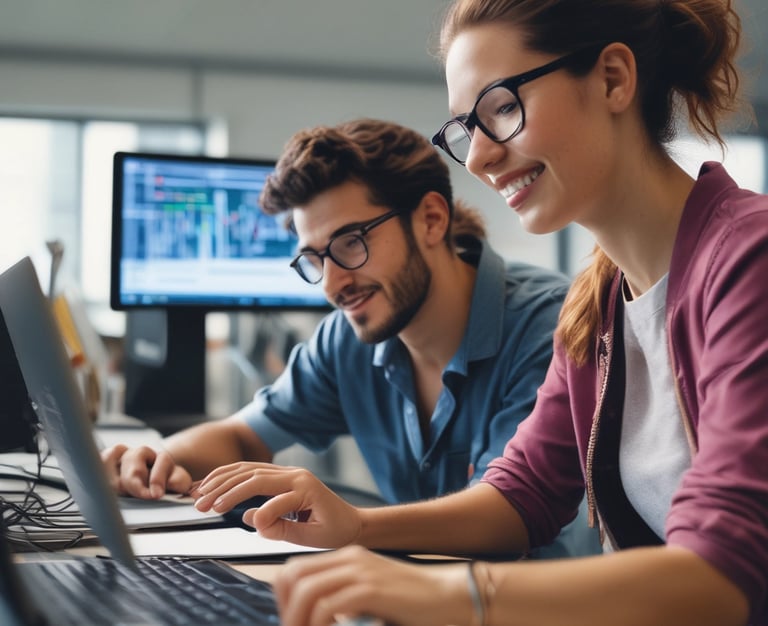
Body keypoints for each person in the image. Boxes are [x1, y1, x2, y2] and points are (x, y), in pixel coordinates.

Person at [192, 1, 768, 624]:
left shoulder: (748, 259)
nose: (479, 160)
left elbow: (720, 572)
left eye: (502, 109)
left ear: (612, 79)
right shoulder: (597, 302)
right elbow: (522, 496)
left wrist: (455, 595)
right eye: (467, 128)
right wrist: (355, 526)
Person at [102, 118, 599, 558]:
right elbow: (242, 434)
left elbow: (508, 516)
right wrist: (161, 457)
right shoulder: (348, 337)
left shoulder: (550, 324)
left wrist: (353, 526)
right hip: (417, 594)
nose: (331, 284)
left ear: (431, 218)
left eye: (351, 244)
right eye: (315, 259)